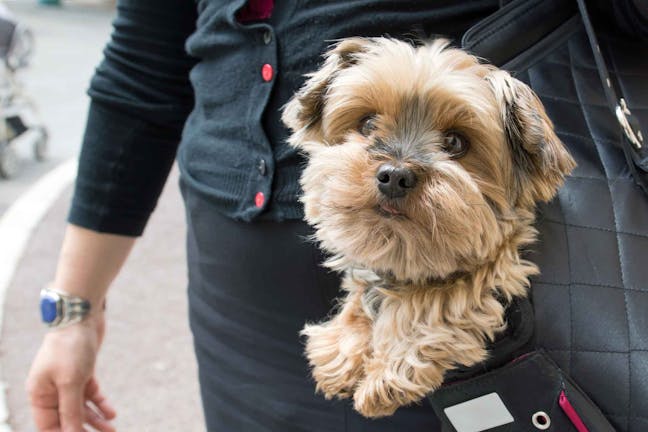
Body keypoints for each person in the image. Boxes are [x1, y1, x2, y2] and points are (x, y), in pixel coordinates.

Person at [26, 0, 648, 431]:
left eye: (454, 144)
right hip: (237, 303)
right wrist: (73, 309)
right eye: (366, 125)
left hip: (521, 319)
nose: (395, 167)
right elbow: (141, 72)